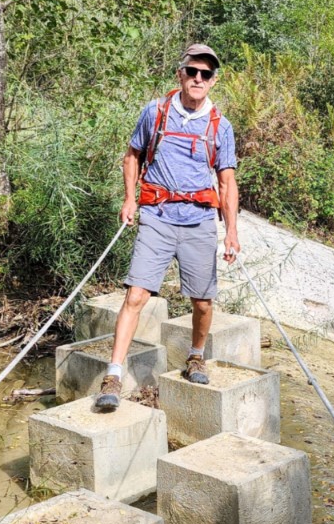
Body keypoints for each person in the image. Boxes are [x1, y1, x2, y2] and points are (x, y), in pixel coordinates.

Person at [95, 44, 239, 412]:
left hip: (199, 221)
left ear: (213, 81)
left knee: (203, 301)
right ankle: (113, 374)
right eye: (192, 71)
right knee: (136, 296)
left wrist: (231, 233)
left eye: (206, 74)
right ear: (180, 74)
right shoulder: (155, 112)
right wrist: (130, 199)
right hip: (157, 216)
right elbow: (132, 156)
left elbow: (227, 183)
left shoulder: (220, 126)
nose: (198, 79)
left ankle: (196, 356)